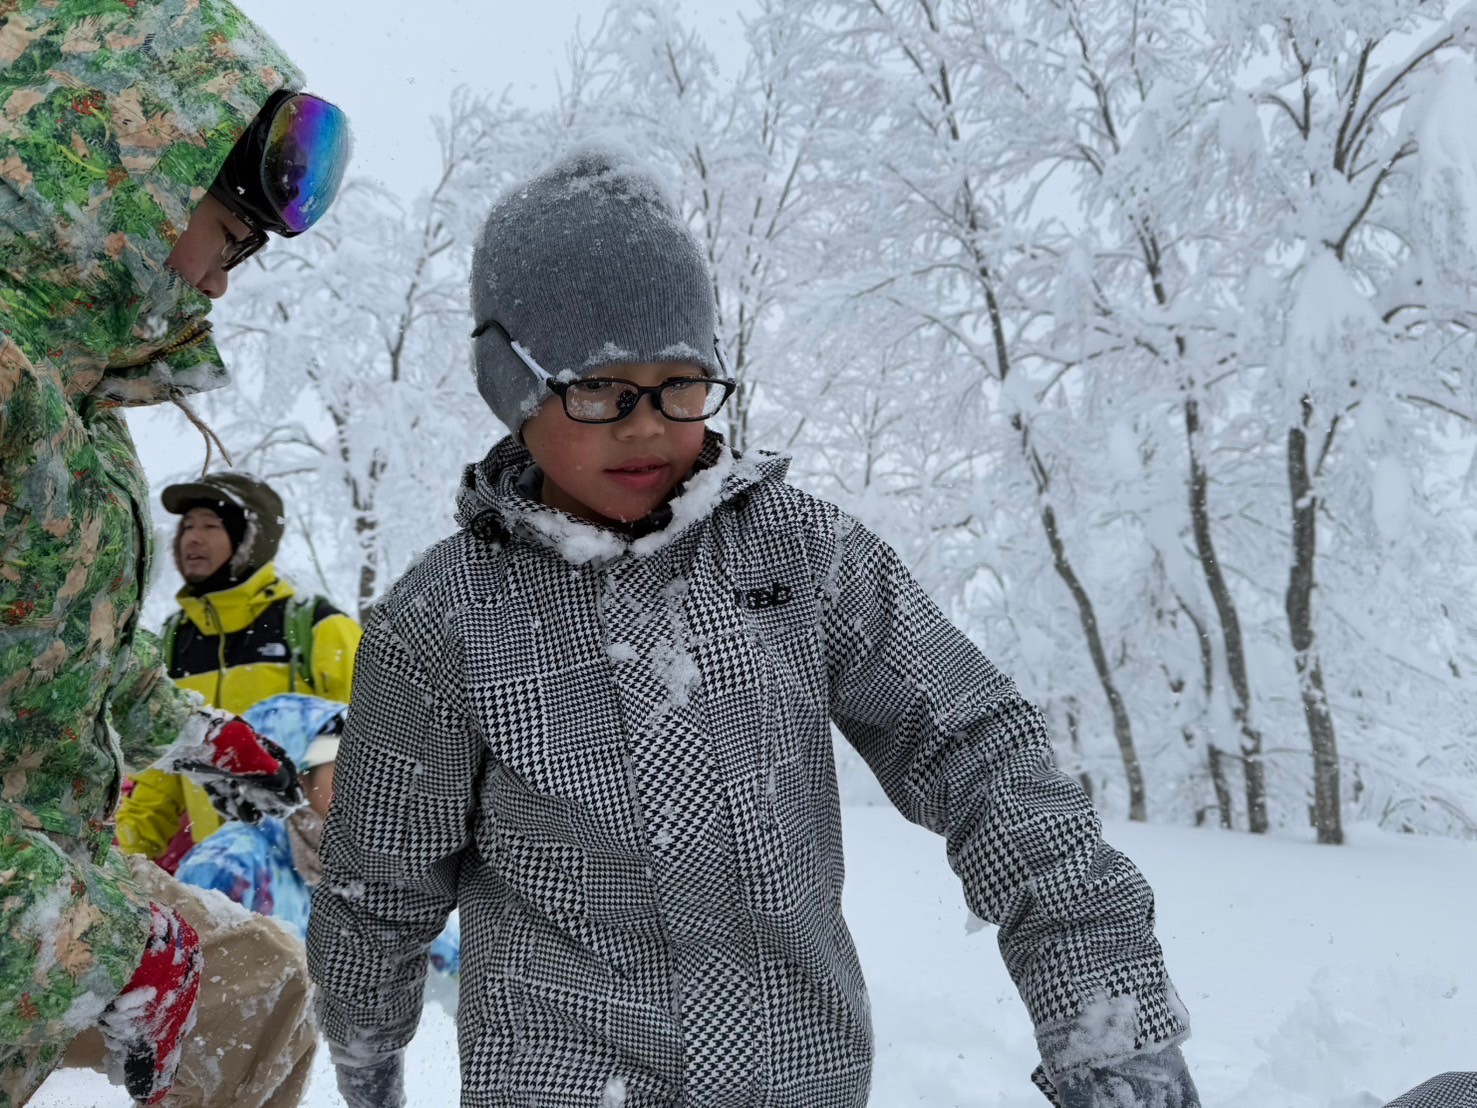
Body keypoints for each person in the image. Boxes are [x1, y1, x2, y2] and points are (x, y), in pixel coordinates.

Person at [307, 148, 1200, 1108]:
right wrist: (365, 1050)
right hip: (566, 1085)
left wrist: (1102, 1014)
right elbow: (380, 876)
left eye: (681, 384)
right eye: (598, 389)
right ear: (512, 387)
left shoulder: (802, 558)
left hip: (797, 1082)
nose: (647, 426)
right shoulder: (445, 619)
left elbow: (981, 756)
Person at [0, 2, 350, 1105]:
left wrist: (214, 743)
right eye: (229, 235)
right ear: (120, 184)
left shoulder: (74, 411)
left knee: (261, 985)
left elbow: (56, 668)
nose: (221, 281)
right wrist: (86, 936)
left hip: (57, 856)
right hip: (26, 890)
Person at [116, 472, 361, 872]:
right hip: (222, 875)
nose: (193, 539)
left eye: (211, 526)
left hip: (316, 871)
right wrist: (126, 856)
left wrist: (315, 798)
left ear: (251, 538)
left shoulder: (315, 626)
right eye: (187, 527)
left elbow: (371, 734)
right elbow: (163, 769)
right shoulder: (176, 641)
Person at [175, 693, 461, 975]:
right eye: (345, 770)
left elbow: (437, 941)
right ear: (298, 777)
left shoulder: (362, 858)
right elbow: (191, 986)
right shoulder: (226, 867)